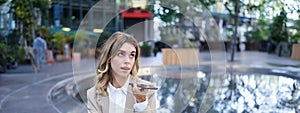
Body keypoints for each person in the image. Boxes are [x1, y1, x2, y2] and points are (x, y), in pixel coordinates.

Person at [86, 32, 157, 113]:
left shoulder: (148, 92)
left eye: (132, 55)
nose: (127, 61)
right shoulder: (93, 95)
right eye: (120, 54)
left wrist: (141, 103)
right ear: (109, 58)